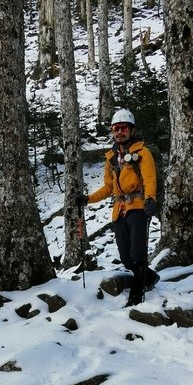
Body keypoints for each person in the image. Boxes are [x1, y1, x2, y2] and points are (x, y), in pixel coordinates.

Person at [80, 108, 160, 306]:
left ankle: (136, 297)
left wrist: (150, 199)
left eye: (123, 127)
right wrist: (87, 199)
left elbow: (150, 179)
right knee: (126, 258)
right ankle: (149, 278)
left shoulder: (143, 152)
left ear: (131, 129)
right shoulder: (111, 158)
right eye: (116, 128)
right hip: (119, 210)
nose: (119, 131)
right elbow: (109, 187)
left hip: (138, 207)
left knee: (138, 254)